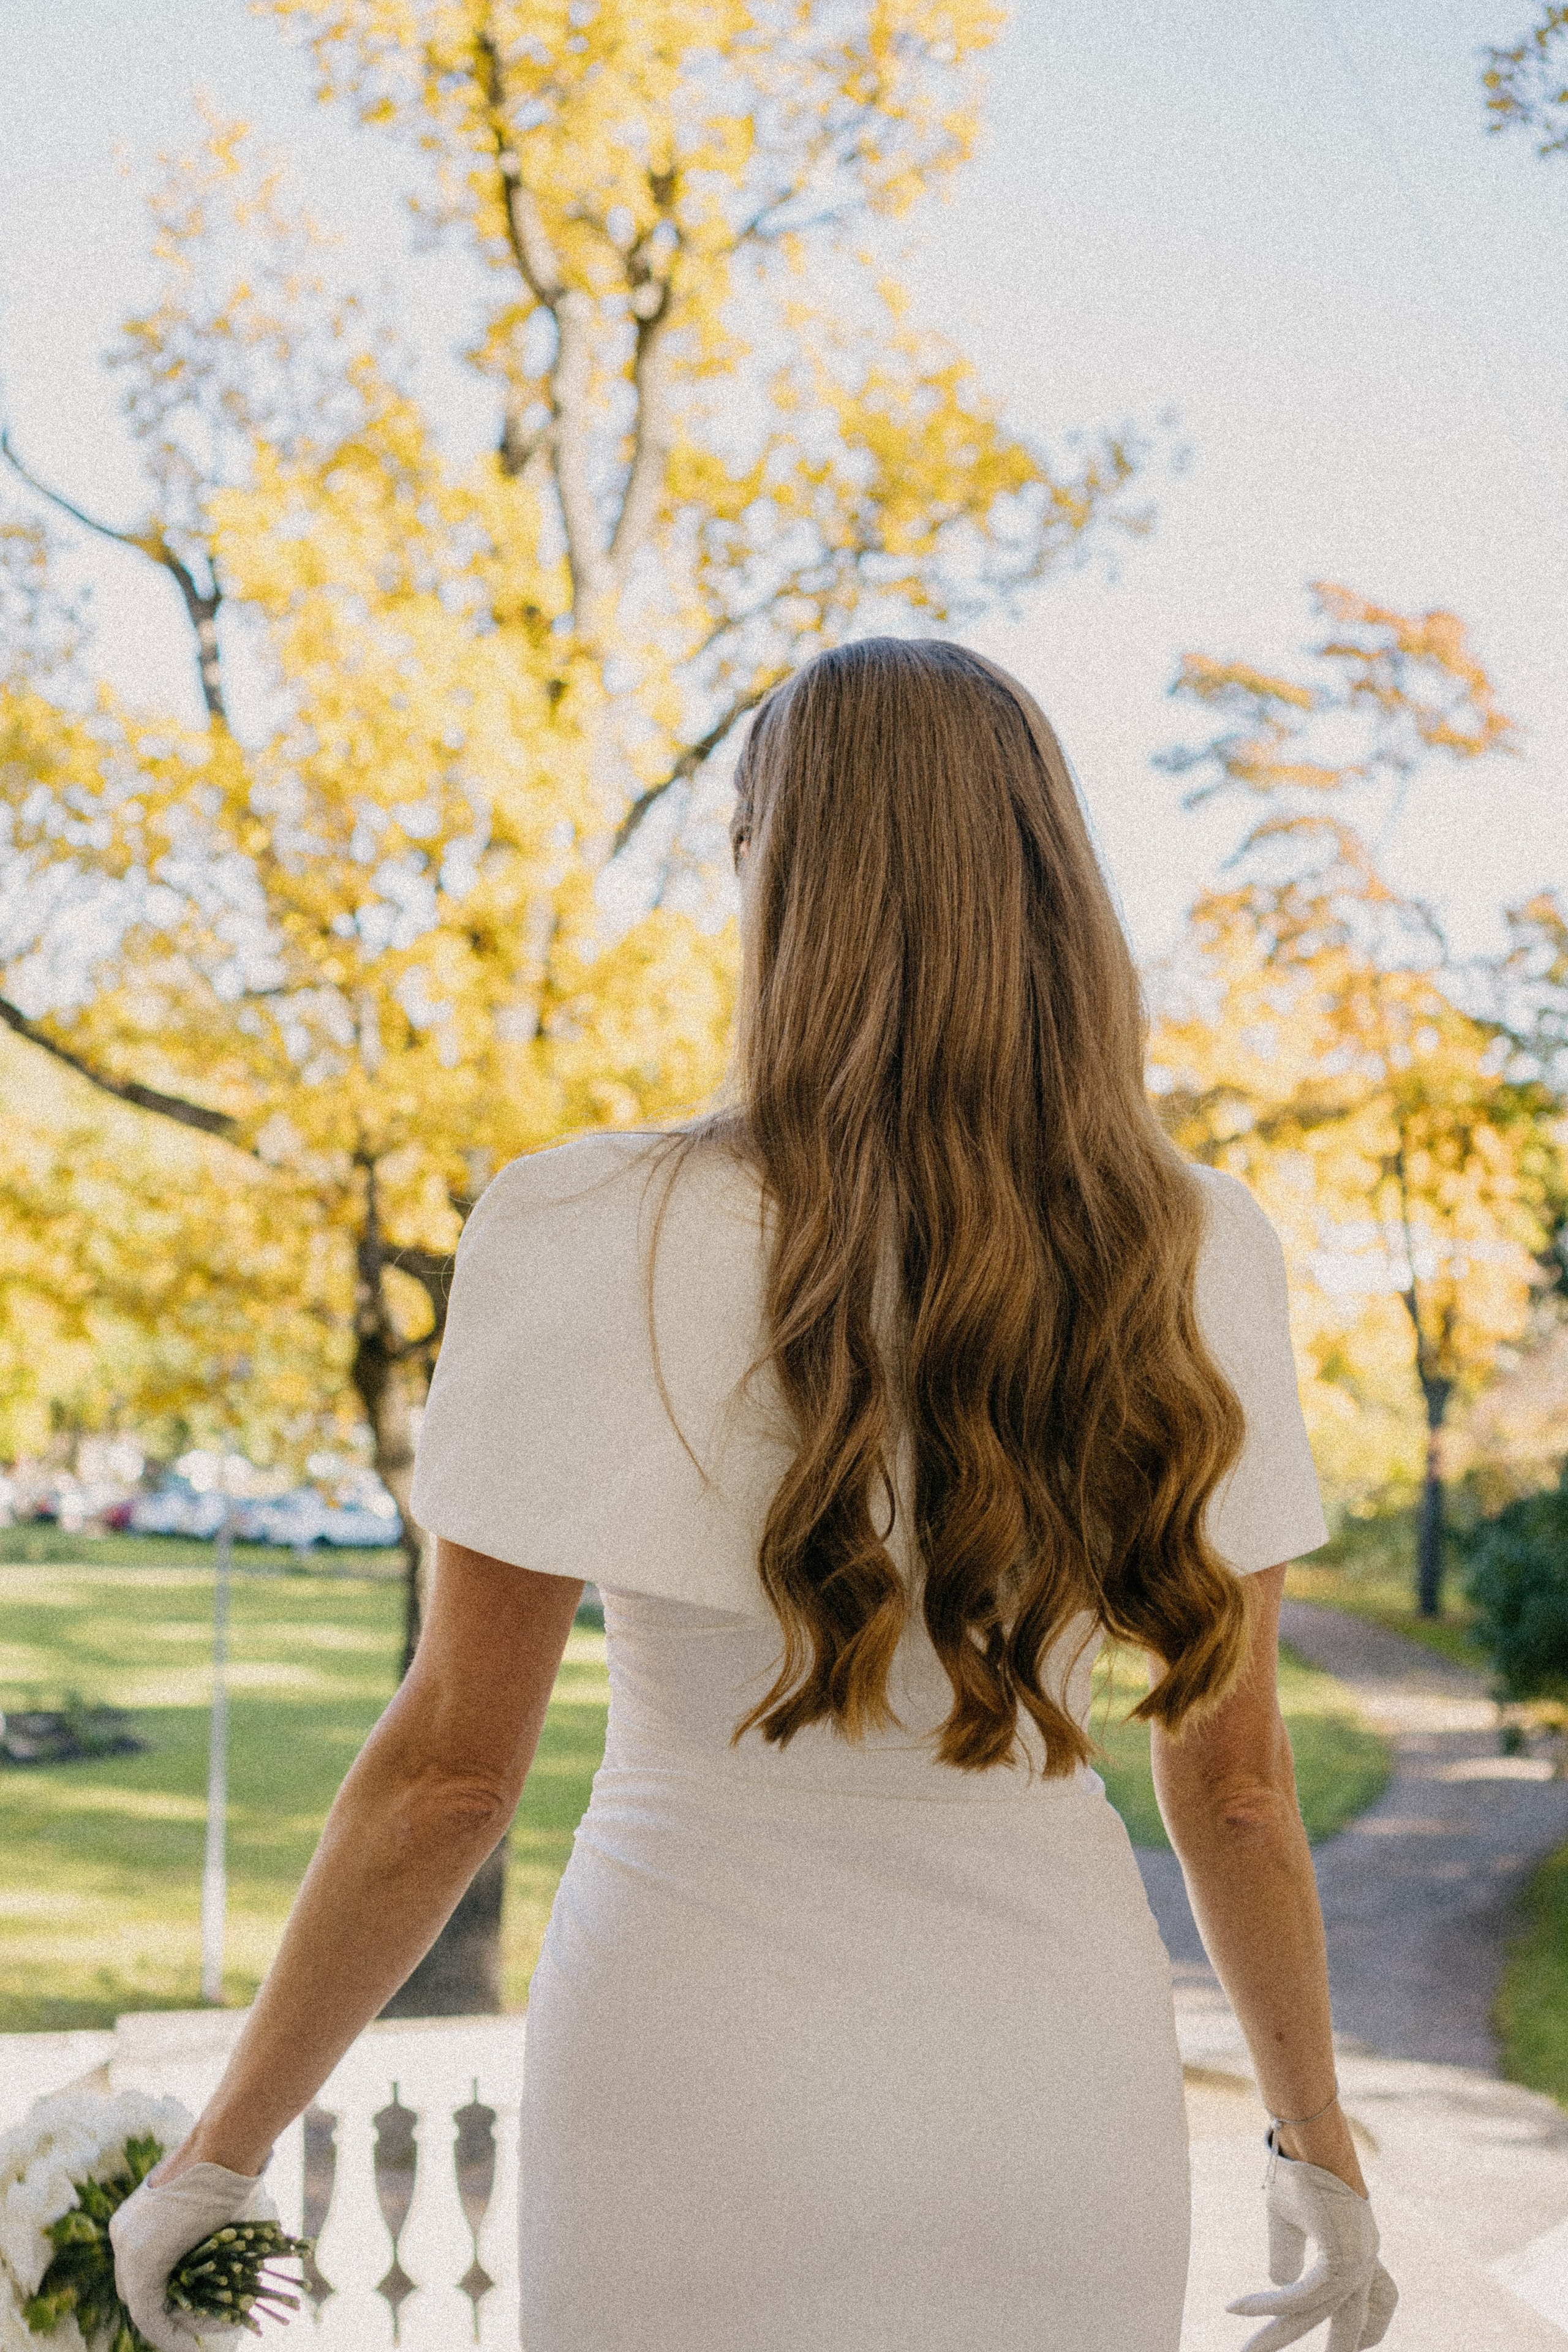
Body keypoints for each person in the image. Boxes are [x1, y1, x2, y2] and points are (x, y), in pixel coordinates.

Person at [112, 638, 1396, 2351]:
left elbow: (449, 1779)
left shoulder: (580, 1225)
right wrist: (1320, 2155)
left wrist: (217, 2156)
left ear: (780, 883)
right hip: (1054, 2087)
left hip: (685, 2070)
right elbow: (1233, 1793)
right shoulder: (1197, 1247)